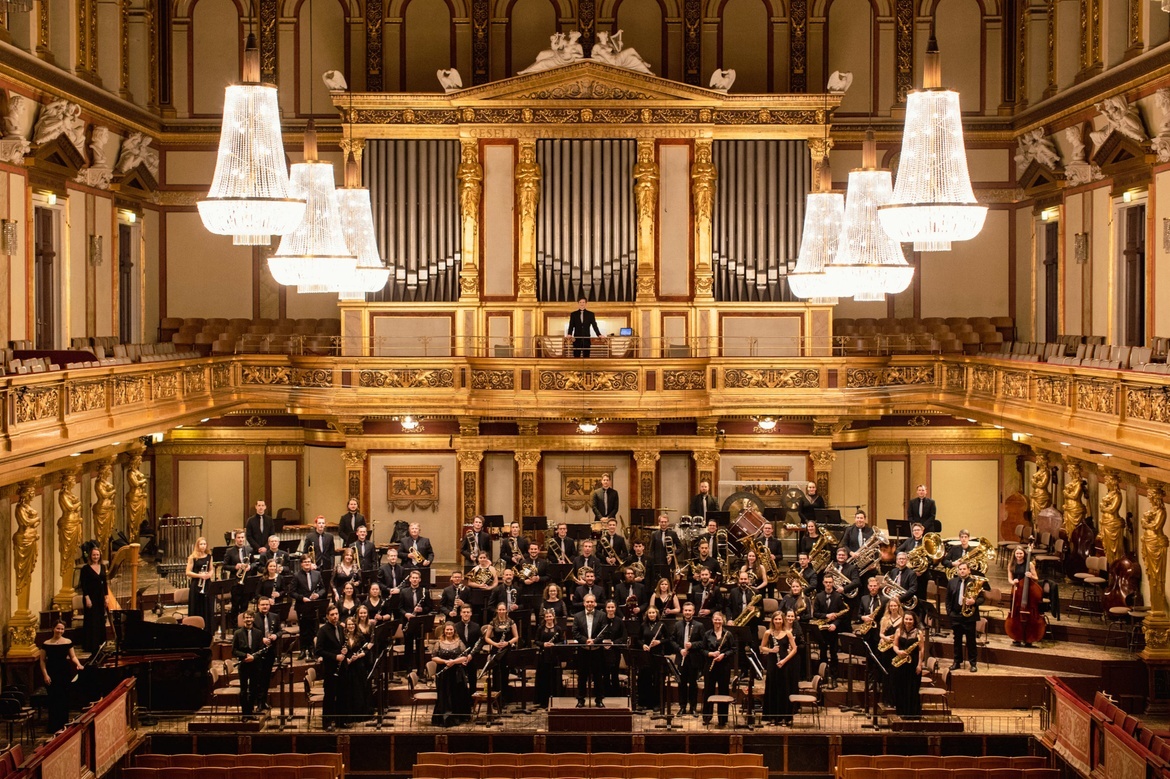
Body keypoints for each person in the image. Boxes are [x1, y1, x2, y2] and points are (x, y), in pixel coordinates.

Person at [1007, 545, 1061, 641]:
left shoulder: (1030, 564)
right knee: (1015, 610)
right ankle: (1017, 636)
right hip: (1017, 590)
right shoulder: (1011, 564)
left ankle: (1031, 636)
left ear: (1024, 554)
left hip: (1029, 589)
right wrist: (1013, 582)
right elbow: (1009, 579)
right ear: (1014, 554)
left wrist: (1031, 576)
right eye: (1017, 553)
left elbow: (1036, 578)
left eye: (1021, 553)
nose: (1019, 555)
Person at [40, 620, 84, 731]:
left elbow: (73, 657)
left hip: (64, 672)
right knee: (53, 698)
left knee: (64, 698)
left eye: (62, 629)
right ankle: (53, 726)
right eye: (58, 628)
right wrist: (45, 675)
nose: (60, 631)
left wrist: (78, 664)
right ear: (53, 629)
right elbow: (42, 661)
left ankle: (63, 725)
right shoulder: (46, 643)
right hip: (51, 672)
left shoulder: (68, 642)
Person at [431, 621, 473, 726]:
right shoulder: (438, 643)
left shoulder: (459, 642)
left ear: (454, 631)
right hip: (443, 673)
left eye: (451, 629)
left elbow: (465, 657)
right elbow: (434, 657)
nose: (449, 631)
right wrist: (445, 662)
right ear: (444, 631)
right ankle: (444, 718)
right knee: (444, 694)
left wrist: (453, 662)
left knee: (456, 693)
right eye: (447, 629)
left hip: (456, 672)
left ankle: (457, 717)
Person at [761, 611, 798, 726]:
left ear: (783, 620)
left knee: (784, 689)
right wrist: (771, 650)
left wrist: (784, 660)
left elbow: (794, 649)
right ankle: (772, 717)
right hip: (773, 663)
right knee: (772, 688)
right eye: (775, 619)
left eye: (780, 619)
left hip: (784, 663)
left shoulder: (788, 633)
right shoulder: (768, 633)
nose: (778, 621)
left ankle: (784, 718)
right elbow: (762, 647)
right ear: (772, 620)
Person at [813, 572, 849, 685]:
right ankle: (822, 676)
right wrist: (826, 616)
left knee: (834, 654)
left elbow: (842, 614)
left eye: (830, 582)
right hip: (822, 629)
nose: (828, 584)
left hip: (833, 629)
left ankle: (834, 677)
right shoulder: (819, 596)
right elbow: (815, 613)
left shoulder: (838, 597)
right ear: (823, 583)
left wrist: (835, 624)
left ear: (833, 583)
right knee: (822, 653)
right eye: (826, 582)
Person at [947, 562, 984, 672]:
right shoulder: (952, 582)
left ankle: (973, 663)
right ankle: (957, 662)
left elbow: (982, 599)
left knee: (971, 641)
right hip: (956, 616)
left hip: (969, 617)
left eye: (964, 569)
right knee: (956, 641)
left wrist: (974, 601)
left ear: (969, 570)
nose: (962, 571)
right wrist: (950, 613)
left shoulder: (974, 582)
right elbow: (948, 599)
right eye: (960, 569)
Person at [572, 594, 608, 707]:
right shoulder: (577, 616)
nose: (589, 604)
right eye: (587, 602)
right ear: (584, 603)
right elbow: (575, 632)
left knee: (598, 676)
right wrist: (585, 640)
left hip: (597, 650)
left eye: (592, 602)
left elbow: (604, 631)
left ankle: (599, 700)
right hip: (583, 650)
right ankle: (581, 700)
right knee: (582, 676)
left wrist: (595, 641)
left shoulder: (602, 615)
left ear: (595, 603)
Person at [702, 611, 736, 726]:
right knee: (708, 690)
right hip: (710, 666)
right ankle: (707, 717)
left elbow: (733, 649)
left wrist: (723, 655)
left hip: (723, 666)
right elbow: (702, 650)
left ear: (723, 621)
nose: (717, 621)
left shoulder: (728, 634)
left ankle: (723, 719)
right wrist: (711, 654)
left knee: (723, 691)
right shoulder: (707, 634)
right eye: (715, 619)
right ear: (712, 620)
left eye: (719, 619)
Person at [315, 605, 346, 731]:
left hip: (341, 667)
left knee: (341, 694)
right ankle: (326, 722)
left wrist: (344, 650)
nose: (335, 616)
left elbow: (341, 644)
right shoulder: (323, 630)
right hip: (330, 668)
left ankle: (339, 721)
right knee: (329, 696)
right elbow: (319, 651)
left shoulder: (340, 628)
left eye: (336, 614)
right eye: (332, 614)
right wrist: (335, 657)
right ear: (327, 616)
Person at [673, 601, 704, 716]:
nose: (687, 612)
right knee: (681, 684)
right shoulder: (677, 625)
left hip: (694, 659)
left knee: (692, 684)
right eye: (685, 610)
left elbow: (703, 642)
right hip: (681, 658)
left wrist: (692, 645)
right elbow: (672, 640)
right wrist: (680, 649)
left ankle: (693, 707)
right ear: (682, 611)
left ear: (693, 612)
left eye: (689, 610)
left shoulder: (699, 625)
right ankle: (682, 707)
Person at [890, 612, 924, 716]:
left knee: (912, 688)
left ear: (914, 621)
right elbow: (895, 645)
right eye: (906, 619)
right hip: (901, 662)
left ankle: (913, 714)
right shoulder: (899, 631)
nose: (908, 621)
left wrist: (919, 664)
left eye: (910, 619)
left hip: (913, 663)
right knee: (901, 687)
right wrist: (898, 652)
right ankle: (901, 713)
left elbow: (921, 649)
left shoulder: (918, 633)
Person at [341, 615, 374, 724]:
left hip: (358, 666)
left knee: (359, 689)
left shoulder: (360, 637)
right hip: (347, 666)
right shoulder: (343, 637)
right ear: (346, 626)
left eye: (352, 624)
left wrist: (358, 656)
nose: (351, 626)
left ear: (355, 625)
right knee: (348, 690)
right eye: (348, 624)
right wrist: (347, 659)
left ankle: (360, 714)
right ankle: (350, 715)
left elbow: (366, 651)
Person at [232, 610, 264, 719]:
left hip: (255, 665)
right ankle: (244, 713)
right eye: (246, 618)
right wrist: (245, 655)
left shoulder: (258, 633)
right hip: (244, 664)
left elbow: (261, 649)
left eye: (250, 618)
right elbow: (234, 650)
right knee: (244, 690)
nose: (248, 620)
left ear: (253, 619)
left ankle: (250, 712)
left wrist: (253, 657)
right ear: (243, 619)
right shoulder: (238, 633)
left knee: (253, 689)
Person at [485, 601, 519, 704]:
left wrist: (507, 643)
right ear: (497, 610)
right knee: (496, 674)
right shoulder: (493, 622)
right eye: (500, 609)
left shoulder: (511, 622)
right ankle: (496, 700)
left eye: (503, 609)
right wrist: (495, 644)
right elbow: (486, 637)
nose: (501, 611)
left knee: (505, 674)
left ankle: (504, 699)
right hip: (496, 649)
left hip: (506, 650)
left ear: (506, 610)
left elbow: (516, 637)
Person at [78, 544, 109, 652]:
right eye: (93, 555)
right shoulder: (85, 569)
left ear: (100, 555)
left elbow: (104, 583)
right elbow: (84, 585)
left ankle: (100, 643)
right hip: (90, 597)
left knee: (100, 619)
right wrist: (87, 598)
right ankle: (91, 645)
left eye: (97, 555)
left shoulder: (103, 566)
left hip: (100, 597)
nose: (96, 557)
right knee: (91, 620)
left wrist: (106, 597)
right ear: (90, 556)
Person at [400, 569, 431, 672]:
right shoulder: (403, 592)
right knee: (408, 647)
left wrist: (422, 609)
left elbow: (430, 608)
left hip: (419, 623)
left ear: (420, 579)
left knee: (419, 647)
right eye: (413, 578)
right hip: (408, 622)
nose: (414, 580)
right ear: (410, 579)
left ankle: (420, 670)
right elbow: (400, 608)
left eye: (416, 578)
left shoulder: (424, 592)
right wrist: (406, 614)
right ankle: (408, 670)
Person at [639, 607, 668, 711]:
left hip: (658, 654)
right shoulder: (643, 625)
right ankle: (646, 703)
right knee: (646, 679)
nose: (651, 615)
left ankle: (657, 703)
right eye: (650, 613)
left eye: (653, 613)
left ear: (657, 614)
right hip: (646, 655)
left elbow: (669, 638)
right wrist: (643, 645)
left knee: (657, 680)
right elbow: (639, 639)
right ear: (647, 614)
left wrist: (659, 642)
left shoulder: (661, 625)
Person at [534, 609, 563, 707]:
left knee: (554, 677)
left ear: (553, 617)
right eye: (547, 617)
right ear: (544, 618)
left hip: (554, 656)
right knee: (544, 678)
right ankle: (543, 701)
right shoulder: (541, 628)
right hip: (543, 656)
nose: (548, 618)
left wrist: (554, 644)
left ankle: (555, 699)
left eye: (550, 616)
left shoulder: (558, 629)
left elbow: (562, 642)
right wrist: (544, 644)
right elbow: (536, 641)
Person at [184, 538, 214, 633]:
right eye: (201, 544)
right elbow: (188, 572)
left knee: (207, 606)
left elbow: (211, 569)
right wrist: (200, 575)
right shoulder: (192, 557)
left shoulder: (209, 556)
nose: (203, 546)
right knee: (196, 606)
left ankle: (208, 630)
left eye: (204, 544)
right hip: (196, 584)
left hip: (207, 584)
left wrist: (209, 574)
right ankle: (195, 629)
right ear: (197, 545)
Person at [600, 599, 627, 696]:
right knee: (605, 673)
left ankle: (615, 695)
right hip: (603, 650)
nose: (610, 609)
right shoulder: (601, 619)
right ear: (605, 608)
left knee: (615, 673)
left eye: (612, 607)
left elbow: (624, 636)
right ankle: (604, 694)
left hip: (615, 650)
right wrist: (603, 642)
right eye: (608, 607)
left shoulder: (619, 621)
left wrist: (613, 642)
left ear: (615, 608)